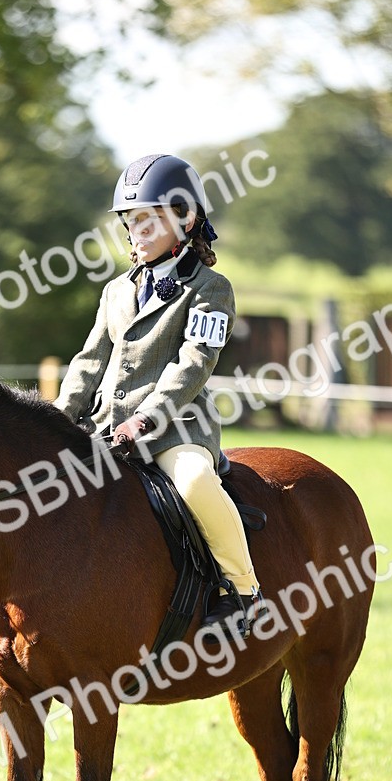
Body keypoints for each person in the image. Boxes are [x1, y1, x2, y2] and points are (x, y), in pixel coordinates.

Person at [55, 153, 262, 635]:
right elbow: (89, 362)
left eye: (148, 221)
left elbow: (194, 363)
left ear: (186, 218)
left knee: (193, 483)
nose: (136, 233)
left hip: (175, 429)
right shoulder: (115, 292)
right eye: (130, 222)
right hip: (106, 425)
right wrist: (58, 420)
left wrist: (147, 418)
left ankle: (246, 592)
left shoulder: (212, 289)